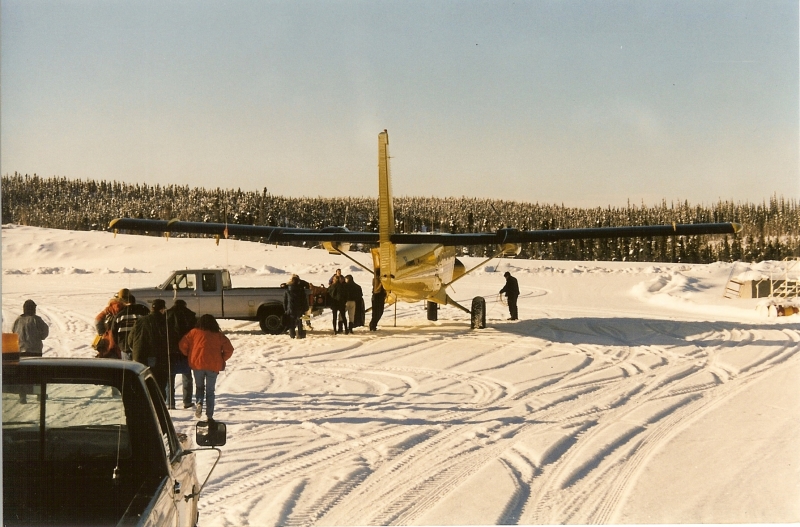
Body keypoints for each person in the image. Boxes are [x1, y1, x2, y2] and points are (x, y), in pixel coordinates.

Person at [179, 314, 234, 421]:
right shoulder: (218, 335)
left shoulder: (193, 332)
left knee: (199, 387)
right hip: (213, 366)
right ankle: (209, 416)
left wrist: (189, 355)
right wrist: (222, 358)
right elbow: (229, 349)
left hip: (197, 364)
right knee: (210, 391)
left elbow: (182, 345)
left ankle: (199, 402)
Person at [130, 299, 170, 394]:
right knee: (158, 386)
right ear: (162, 310)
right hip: (157, 359)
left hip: (139, 358)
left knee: (142, 385)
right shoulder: (164, 322)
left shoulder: (140, 321)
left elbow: (130, 340)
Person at [167, 299, 197, 409]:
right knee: (187, 376)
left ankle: (170, 402)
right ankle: (187, 401)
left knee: (170, 377)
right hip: (186, 350)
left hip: (170, 350)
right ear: (185, 305)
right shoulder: (190, 315)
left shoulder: (167, 314)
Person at [112, 292, 150, 360]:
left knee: (127, 368)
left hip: (125, 347)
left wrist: (120, 345)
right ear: (135, 302)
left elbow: (114, 333)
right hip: (139, 347)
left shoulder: (119, 316)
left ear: (124, 303)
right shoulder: (143, 313)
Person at [283, 275, 309, 339]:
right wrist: (306, 308)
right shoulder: (301, 290)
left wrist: (286, 309)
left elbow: (285, 301)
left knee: (291, 323)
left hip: (291, 309)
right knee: (300, 322)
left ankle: (292, 335)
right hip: (299, 309)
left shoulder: (287, 291)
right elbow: (304, 300)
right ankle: (301, 335)